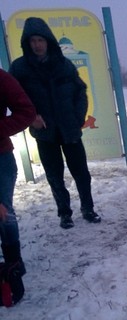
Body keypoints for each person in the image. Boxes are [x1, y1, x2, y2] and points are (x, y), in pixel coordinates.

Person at [9, 17, 101, 229]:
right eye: (32, 40)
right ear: (27, 43)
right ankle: (64, 213)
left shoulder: (64, 64)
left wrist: (78, 118)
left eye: (41, 40)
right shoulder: (20, 68)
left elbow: (81, 91)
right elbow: (13, 97)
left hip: (70, 129)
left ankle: (88, 208)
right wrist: (30, 117)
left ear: (48, 41)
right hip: (45, 133)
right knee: (54, 175)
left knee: (81, 173)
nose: (37, 45)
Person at [0, 69, 36, 304]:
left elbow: (26, 111)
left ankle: (14, 265)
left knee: (4, 213)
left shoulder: (1, 79)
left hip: (0, 159)